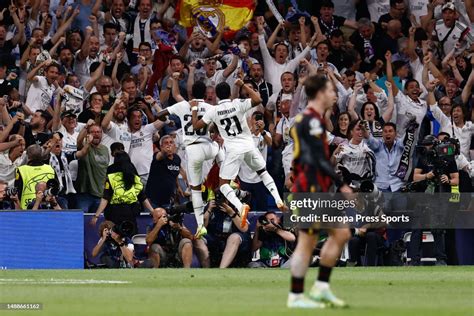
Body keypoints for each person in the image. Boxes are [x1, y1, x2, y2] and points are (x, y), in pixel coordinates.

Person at [287, 75, 352, 308]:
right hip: (310, 188)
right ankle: (296, 296)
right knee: (306, 241)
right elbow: (317, 158)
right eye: (331, 90)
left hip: (317, 188)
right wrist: (341, 183)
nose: (335, 95)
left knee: (342, 233)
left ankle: (321, 287)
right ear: (321, 93)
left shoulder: (314, 120)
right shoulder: (311, 121)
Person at [191, 81, 286, 227]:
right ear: (230, 93)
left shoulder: (214, 111)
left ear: (216, 95)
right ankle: (278, 199)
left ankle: (241, 207)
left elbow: (196, 126)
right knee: (263, 172)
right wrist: (243, 84)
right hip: (248, 145)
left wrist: (195, 108)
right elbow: (258, 99)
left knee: (223, 185)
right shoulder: (237, 103)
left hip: (234, 150)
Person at [155, 81, 222, 239]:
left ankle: (199, 226)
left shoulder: (184, 105)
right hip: (206, 149)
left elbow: (159, 115)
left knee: (195, 191)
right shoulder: (211, 108)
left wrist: (169, 119)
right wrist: (212, 132)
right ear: (205, 94)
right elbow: (219, 126)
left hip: (191, 149)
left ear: (191, 93)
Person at [90, 151, 154, 236]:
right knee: (130, 240)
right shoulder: (136, 179)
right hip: (131, 214)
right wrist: (153, 211)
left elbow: (105, 198)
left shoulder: (111, 178)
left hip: (115, 214)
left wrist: (96, 216)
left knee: (113, 239)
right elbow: (143, 198)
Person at [204, 199, 251, 268]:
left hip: (238, 238)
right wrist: (208, 210)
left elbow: (244, 229)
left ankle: (222, 269)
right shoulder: (211, 205)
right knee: (199, 239)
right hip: (216, 237)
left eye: (225, 199)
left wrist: (231, 212)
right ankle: (206, 269)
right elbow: (202, 228)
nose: (223, 202)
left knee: (234, 237)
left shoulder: (239, 205)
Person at [76, 123, 110, 213]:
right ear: (88, 134)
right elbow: (78, 141)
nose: (96, 134)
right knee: (82, 220)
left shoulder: (105, 149)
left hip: (101, 193)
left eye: (98, 132)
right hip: (85, 194)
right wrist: (86, 127)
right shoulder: (85, 147)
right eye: (93, 132)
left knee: (97, 223)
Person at [15, 144, 58, 210]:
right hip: (48, 205)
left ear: (28, 156)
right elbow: (56, 187)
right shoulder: (50, 168)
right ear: (41, 154)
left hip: (26, 206)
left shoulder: (21, 170)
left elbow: (17, 190)